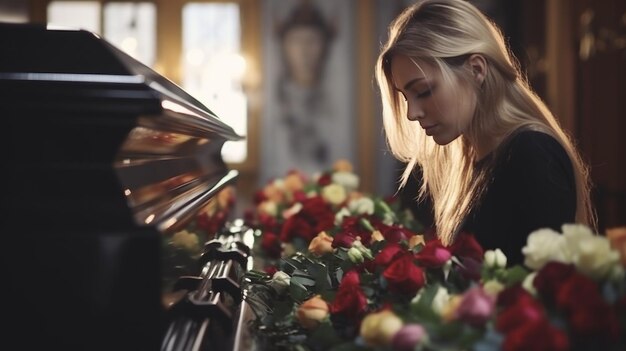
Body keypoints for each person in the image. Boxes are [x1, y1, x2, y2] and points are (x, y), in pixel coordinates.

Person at [375, 0, 597, 266]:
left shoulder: (532, 153)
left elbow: (546, 293)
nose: (412, 113)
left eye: (423, 91)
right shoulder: (473, 159)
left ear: (476, 69)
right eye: (406, 96)